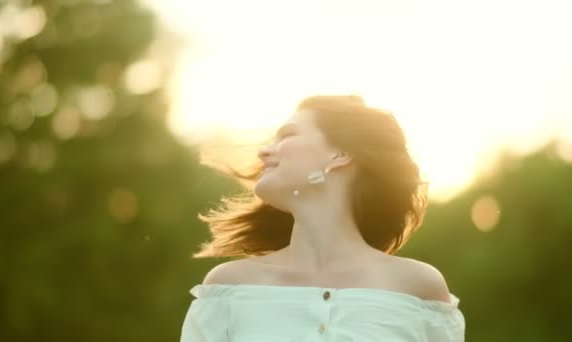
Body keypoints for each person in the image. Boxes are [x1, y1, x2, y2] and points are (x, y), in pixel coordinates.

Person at [180, 95, 466, 341]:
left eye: (288, 134)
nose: (263, 151)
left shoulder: (418, 287)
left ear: (340, 154)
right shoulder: (228, 288)